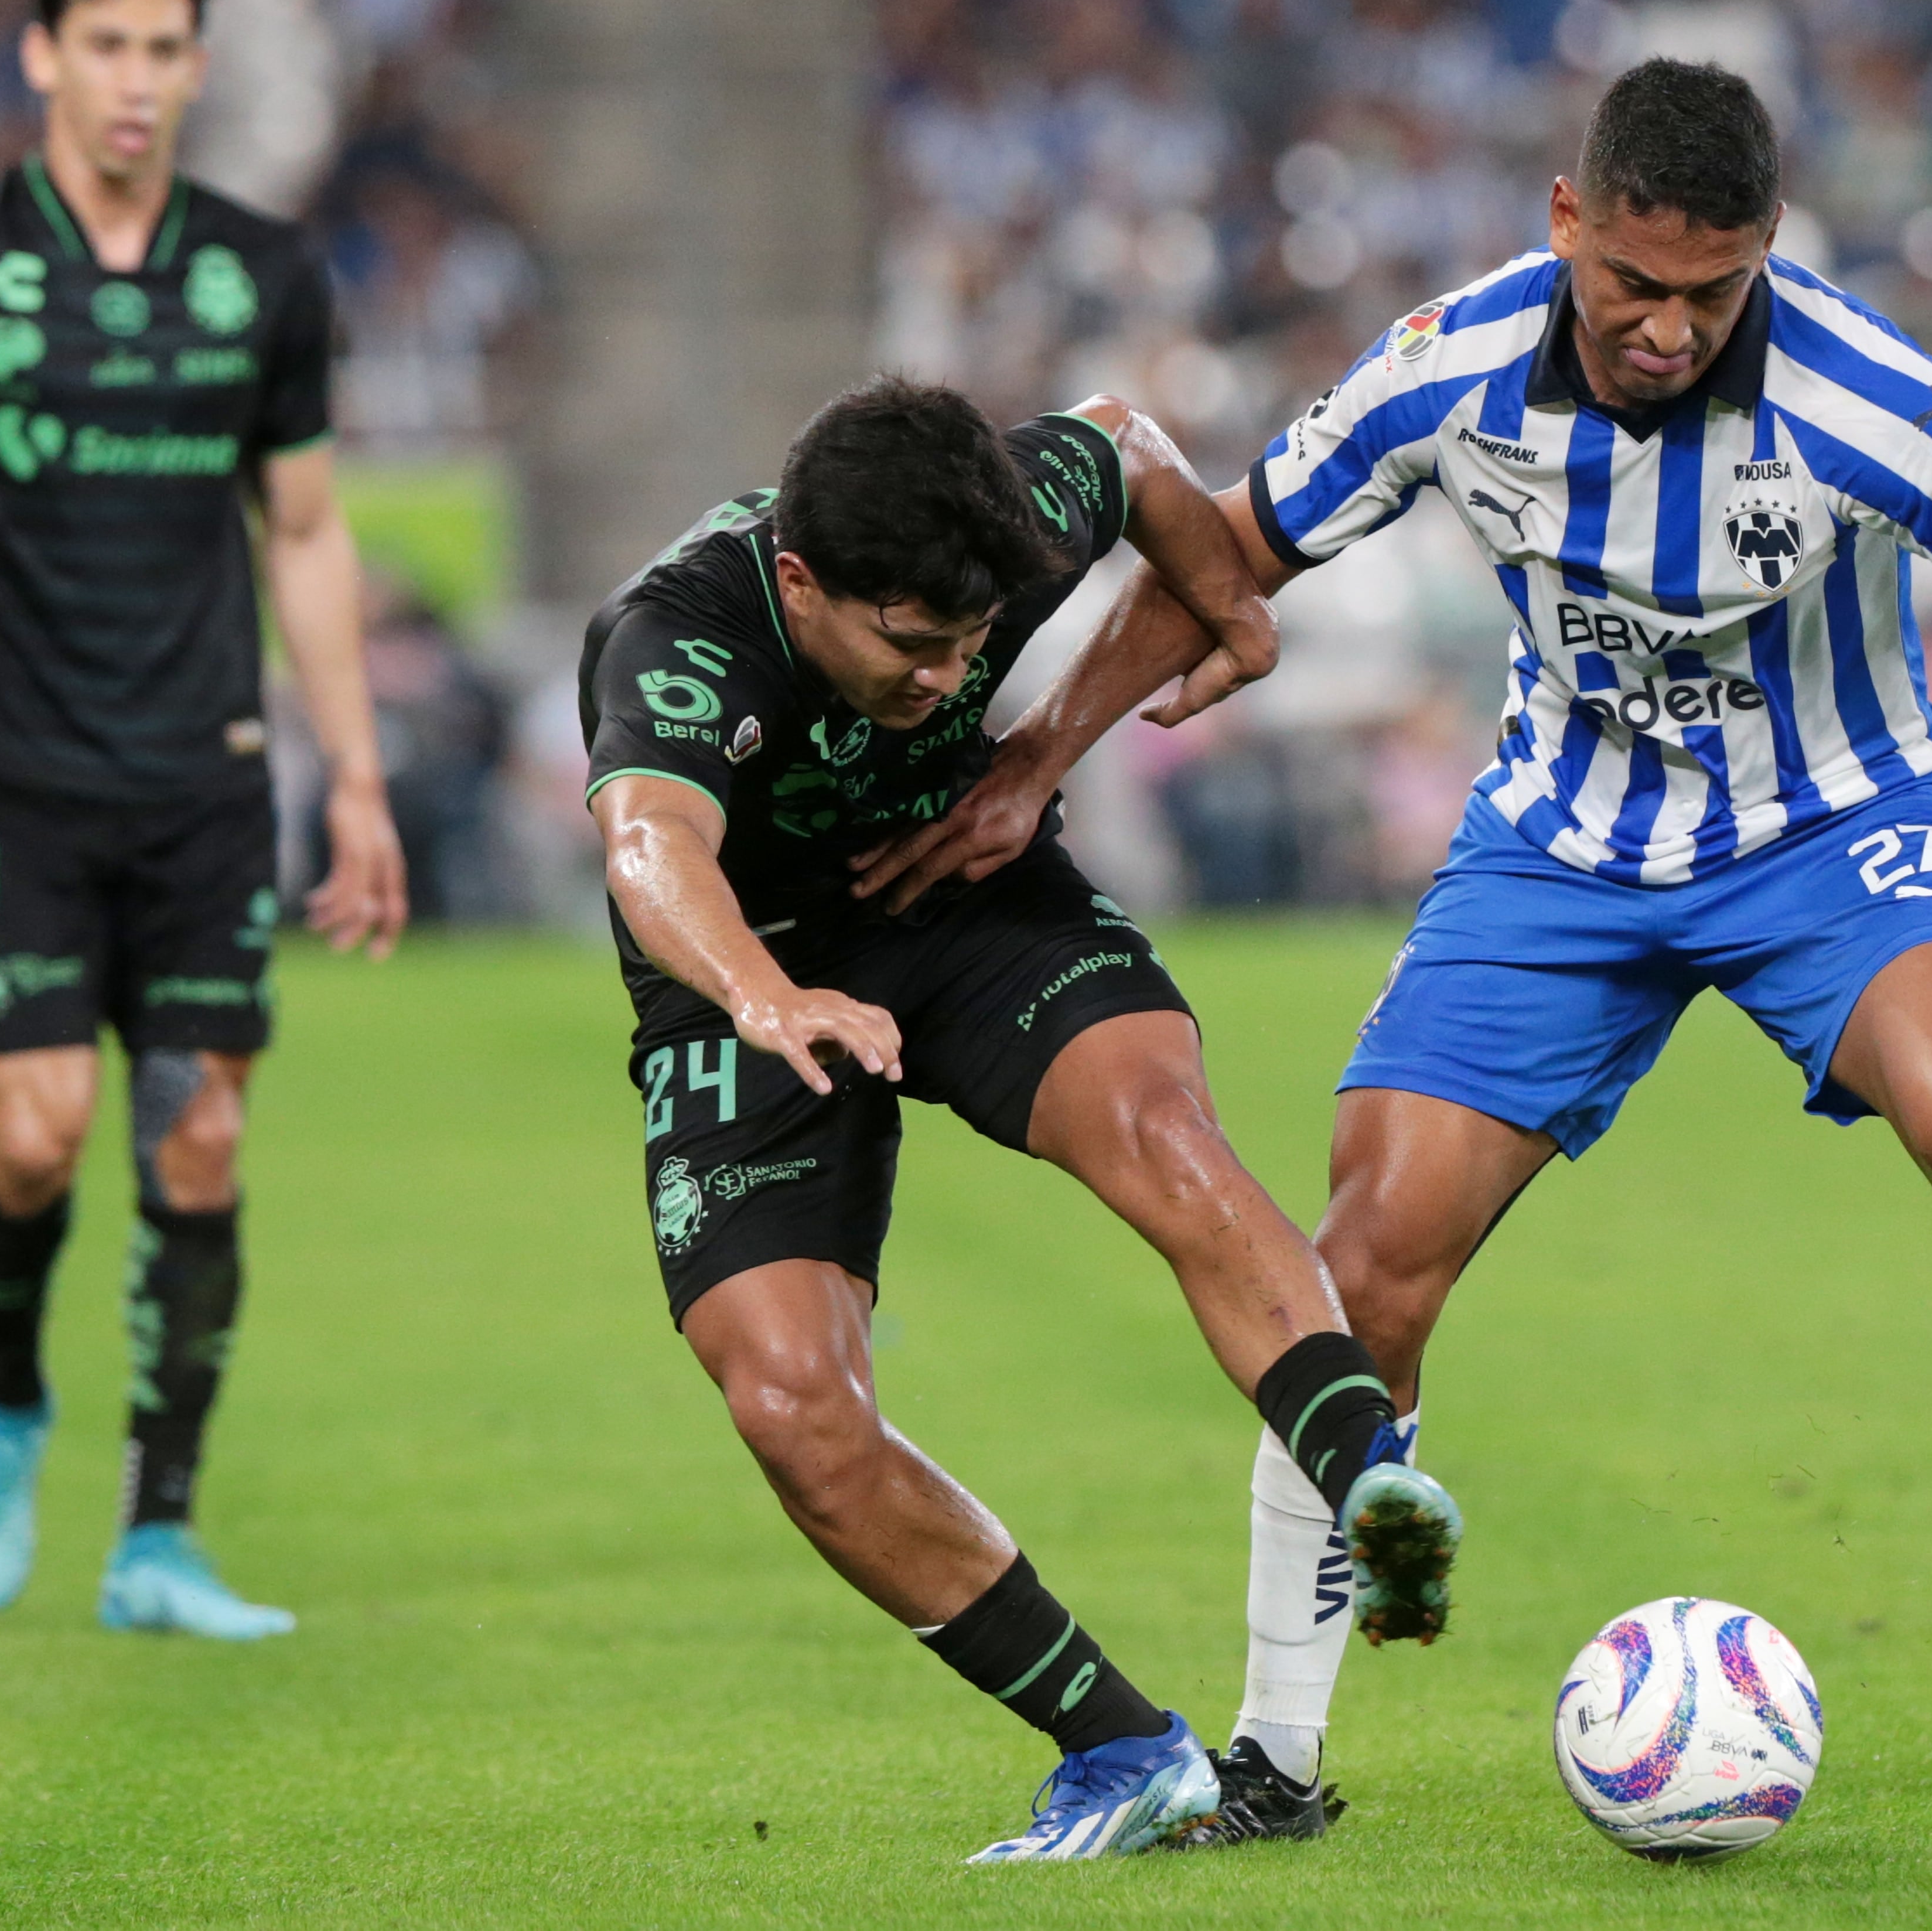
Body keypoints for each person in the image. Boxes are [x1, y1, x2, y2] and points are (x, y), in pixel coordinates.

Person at [855, 59, 1932, 1833]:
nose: (1666, 328)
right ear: (1569, 220)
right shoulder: (1447, 365)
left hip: (1834, 828)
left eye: (1712, 293)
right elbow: (1230, 546)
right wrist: (1030, 765)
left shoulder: (1870, 396)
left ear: (1768, 250)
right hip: (1561, 852)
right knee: (1369, 1257)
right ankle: (1279, 1756)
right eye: (1634, 284)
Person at [578, 376, 1460, 1863]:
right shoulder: (683, 634)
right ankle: (1123, 1745)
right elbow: (649, 840)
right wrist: (763, 994)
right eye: (911, 646)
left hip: (964, 893)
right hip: (755, 955)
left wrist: (1202, 628)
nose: (944, 677)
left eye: (973, 641)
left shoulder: (1006, 505)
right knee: (794, 1405)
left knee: (1160, 1125)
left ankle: (1369, 1469)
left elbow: (1125, 441)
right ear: (801, 583)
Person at [0, 0, 407, 1639]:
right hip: (8, 772)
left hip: (205, 782)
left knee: (199, 1142)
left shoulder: (261, 274)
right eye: (108, 47)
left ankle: (158, 1535)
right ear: (46, 55)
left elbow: (303, 532)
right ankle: (3, 1404)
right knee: (36, 1126)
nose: (136, 82)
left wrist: (355, 776)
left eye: (164, 51)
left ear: (196, 70)